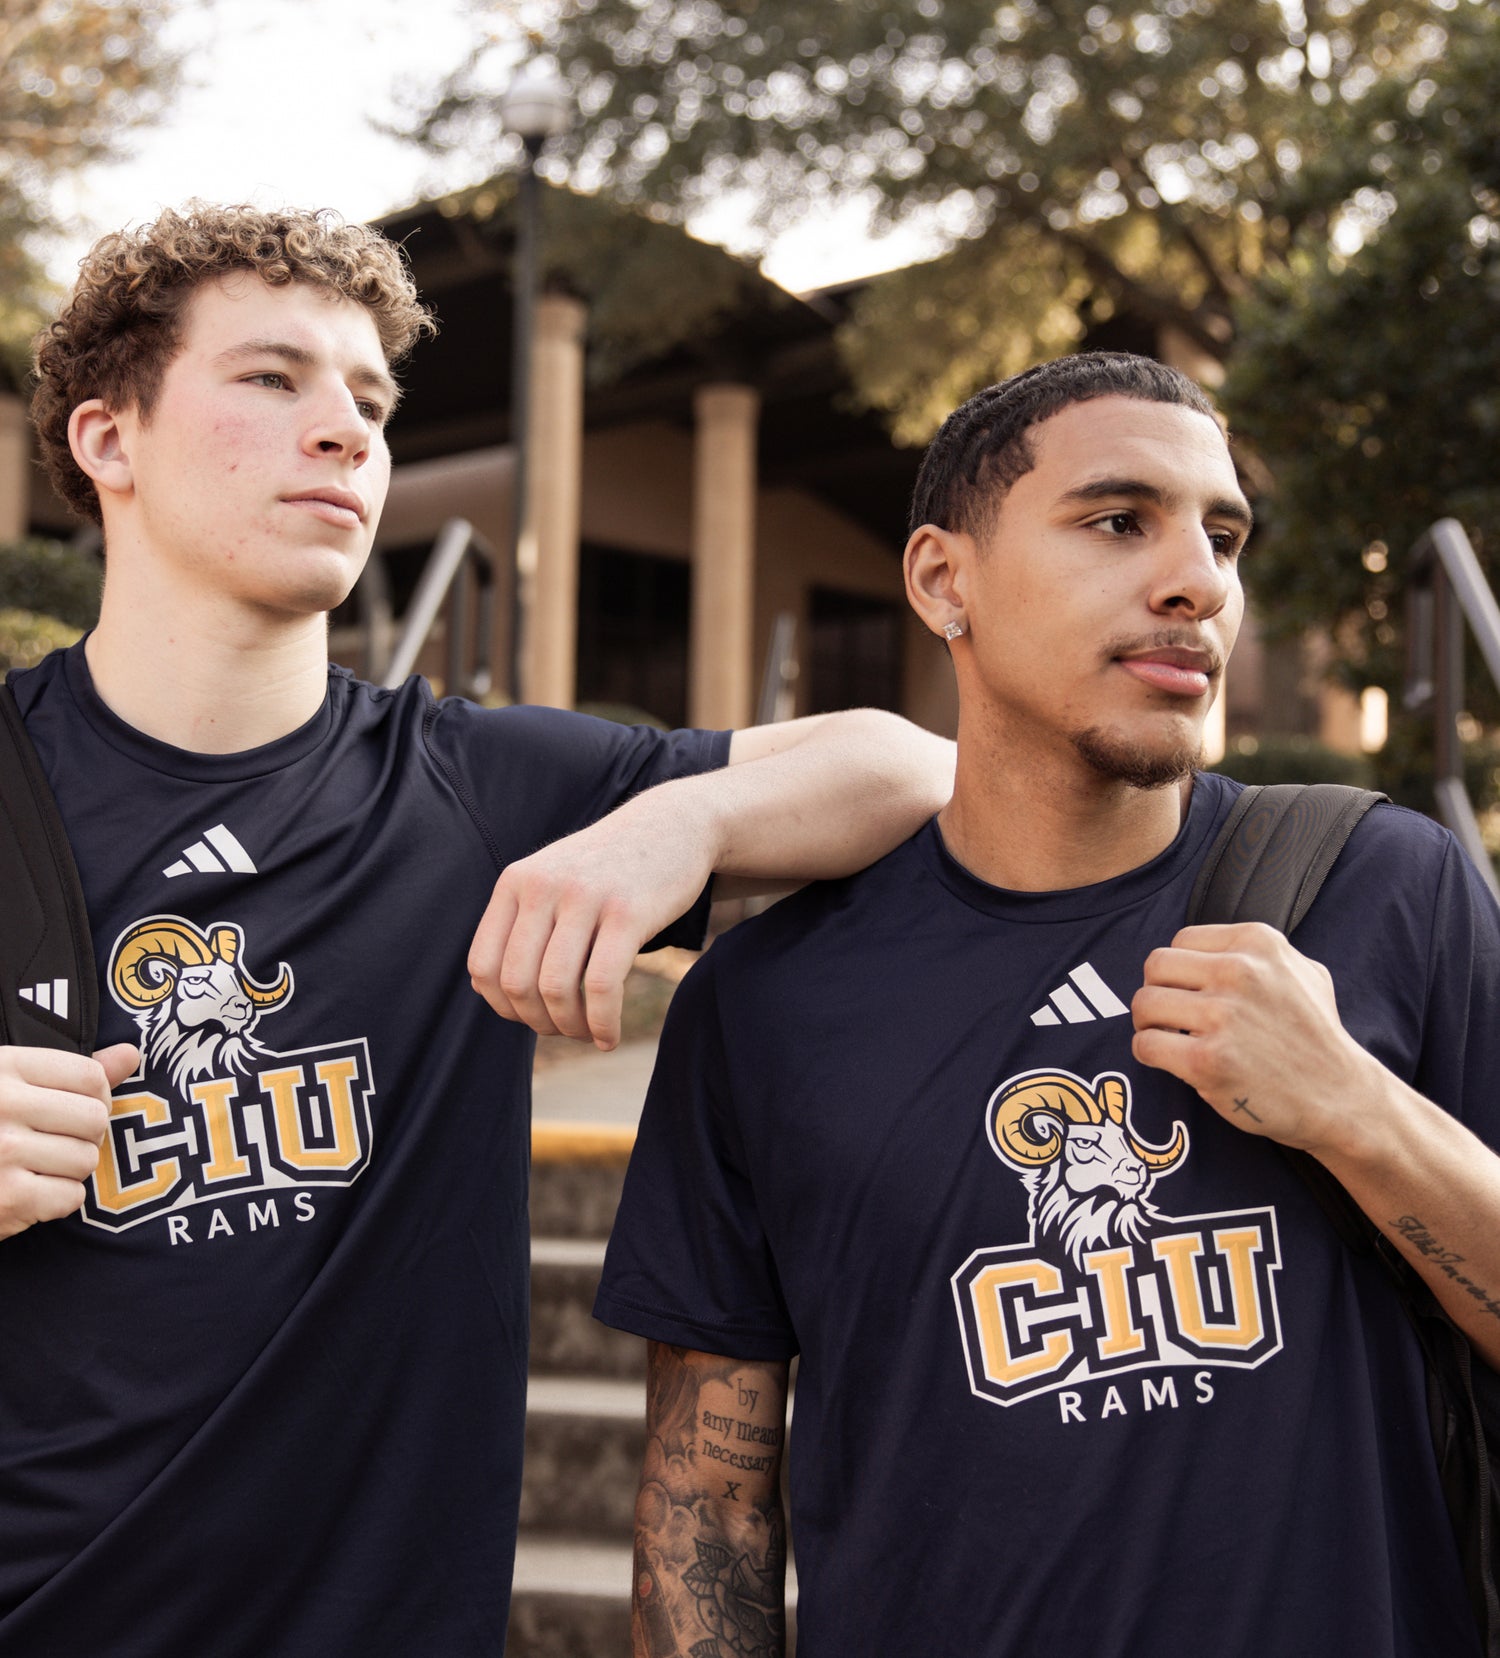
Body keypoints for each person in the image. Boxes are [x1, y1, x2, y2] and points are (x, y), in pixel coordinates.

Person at [0, 203, 957, 1656]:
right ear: (106, 442)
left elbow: (914, 771)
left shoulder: (477, 786)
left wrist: (675, 822)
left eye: (371, 400)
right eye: (273, 379)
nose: (347, 432)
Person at [596, 352, 1500, 1658]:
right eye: (1118, 521)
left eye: (1223, 535)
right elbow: (709, 1513)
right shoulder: (766, 1003)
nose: (1197, 580)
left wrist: (1353, 1108)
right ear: (940, 579)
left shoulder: (1386, 886)